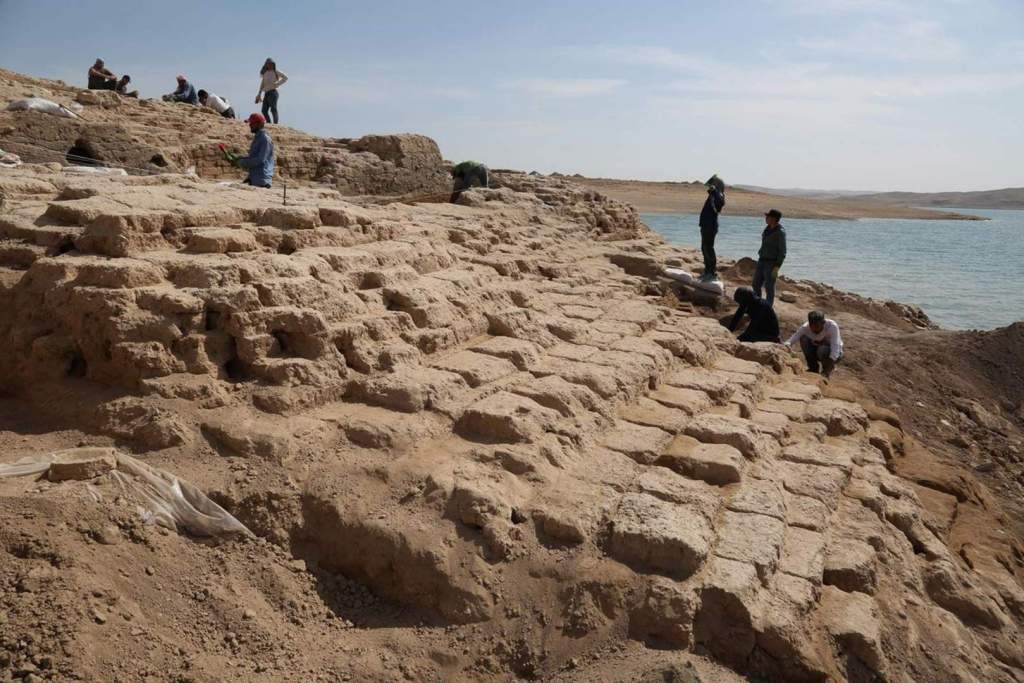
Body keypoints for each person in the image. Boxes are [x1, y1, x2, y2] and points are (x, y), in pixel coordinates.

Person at [786, 310, 843, 378]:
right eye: (812, 326)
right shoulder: (805, 327)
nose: (815, 329)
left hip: (833, 354)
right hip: (816, 351)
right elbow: (792, 339)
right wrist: (784, 346)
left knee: (822, 349)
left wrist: (826, 371)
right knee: (804, 339)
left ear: (823, 323)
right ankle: (813, 368)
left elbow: (835, 350)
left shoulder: (832, 326)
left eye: (817, 326)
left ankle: (826, 370)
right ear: (809, 324)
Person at [753, 208, 787, 305]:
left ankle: (767, 309)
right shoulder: (767, 229)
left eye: (768, 217)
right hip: (762, 260)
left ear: (773, 218)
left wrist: (777, 266)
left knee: (769, 288)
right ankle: (756, 305)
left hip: (771, 263)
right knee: (756, 284)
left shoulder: (780, 232)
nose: (766, 218)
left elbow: (783, 251)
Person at [233, 113, 275, 188]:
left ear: (259, 124)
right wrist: (241, 158)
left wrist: (243, 162)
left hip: (262, 180)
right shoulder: (258, 138)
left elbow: (260, 160)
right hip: (255, 178)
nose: (250, 125)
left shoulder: (265, 139)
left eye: (252, 123)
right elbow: (254, 157)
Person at [698, 174, 726, 281]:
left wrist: (714, 191)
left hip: (710, 226)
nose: (709, 187)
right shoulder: (713, 195)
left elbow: (720, 203)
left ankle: (712, 272)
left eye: (712, 185)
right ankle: (707, 270)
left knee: (708, 248)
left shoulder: (719, 194)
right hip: (706, 225)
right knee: (705, 248)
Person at [256, 58, 288, 124]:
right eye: (268, 64)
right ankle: (269, 123)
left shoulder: (275, 71)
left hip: (273, 92)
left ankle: (275, 123)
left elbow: (285, 77)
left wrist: (278, 83)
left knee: (273, 108)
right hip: (266, 93)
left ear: (273, 64)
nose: (269, 65)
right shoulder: (265, 73)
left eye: (271, 64)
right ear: (266, 65)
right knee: (264, 110)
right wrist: (259, 93)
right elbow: (262, 84)